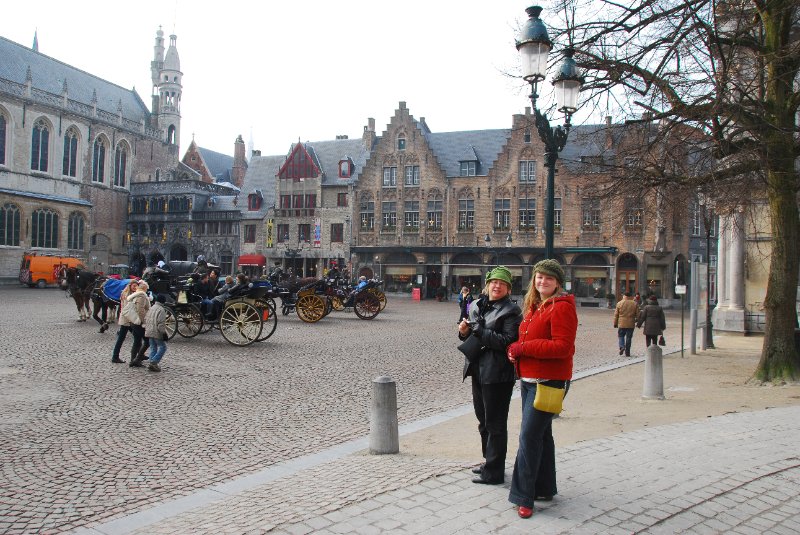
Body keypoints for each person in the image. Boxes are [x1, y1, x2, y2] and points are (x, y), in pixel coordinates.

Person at [506, 259, 578, 519]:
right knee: (542, 435)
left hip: (548, 382)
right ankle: (545, 487)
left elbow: (562, 347)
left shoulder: (561, 308)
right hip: (529, 380)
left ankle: (524, 497)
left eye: (548, 278)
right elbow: (528, 339)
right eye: (539, 277)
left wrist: (523, 349)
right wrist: (516, 353)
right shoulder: (536, 306)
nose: (542, 281)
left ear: (558, 282)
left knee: (528, 437)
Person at [457, 266, 522, 486]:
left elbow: (507, 341)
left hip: (497, 373)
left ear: (508, 288)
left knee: (495, 424)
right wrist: (463, 331)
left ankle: (495, 472)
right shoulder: (476, 305)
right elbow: (467, 333)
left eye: (502, 284)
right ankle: (488, 462)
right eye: (494, 282)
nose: (497, 286)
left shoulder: (511, 311)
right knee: (483, 420)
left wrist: (478, 331)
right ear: (487, 284)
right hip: (477, 369)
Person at [111, 279, 138, 363]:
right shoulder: (126, 295)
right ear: (130, 286)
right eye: (134, 286)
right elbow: (128, 309)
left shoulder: (130, 294)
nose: (135, 287)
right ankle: (115, 356)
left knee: (136, 337)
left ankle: (139, 354)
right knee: (124, 338)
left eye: (136, 286)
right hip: (127, 320)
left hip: (128, 319)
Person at [126, 280, 151, 368]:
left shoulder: (135, 295)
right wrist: (144, 322)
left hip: (134, 321)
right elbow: (140, 310)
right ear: (144, 288)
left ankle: (133, 359)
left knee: (137, 341)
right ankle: (137, 359)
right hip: (139, 322)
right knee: (147, 341)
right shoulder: (142, 296)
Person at [144, 293, 169, 372]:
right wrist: (164, 333)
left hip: (149, 331)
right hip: (156, 332)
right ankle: (153, 362)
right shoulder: (161, 310)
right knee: (163, 347)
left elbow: (146, 319)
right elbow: (161, 324)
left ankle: (151, 363)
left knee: (153, 347)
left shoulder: (151, 308)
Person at [614, 291, 639, 357]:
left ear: (624, 296)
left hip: (622, 323)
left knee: (621, 336)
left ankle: (622, 346)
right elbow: (638, 315)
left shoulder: (619, 303)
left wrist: (615, 323)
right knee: (629, 338)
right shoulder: (634, 303)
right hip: (631, 323)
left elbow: (616, 315)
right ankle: (627, 352)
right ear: (630, 296)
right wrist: (636, 320)